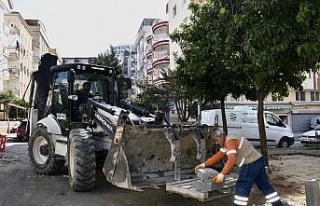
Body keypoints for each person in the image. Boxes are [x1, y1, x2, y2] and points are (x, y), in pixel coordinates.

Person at [195, 128, 283, 206]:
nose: (216, 143)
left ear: (221, 136)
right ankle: (278, 204)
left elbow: (231, 160)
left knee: (241, 187)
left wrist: (221, 175)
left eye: (216, 140)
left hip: (250, 163)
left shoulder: (229, 142)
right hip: (258, 160)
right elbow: (218, 156)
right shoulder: (227, 142)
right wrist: (203, 165)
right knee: (264, 185)